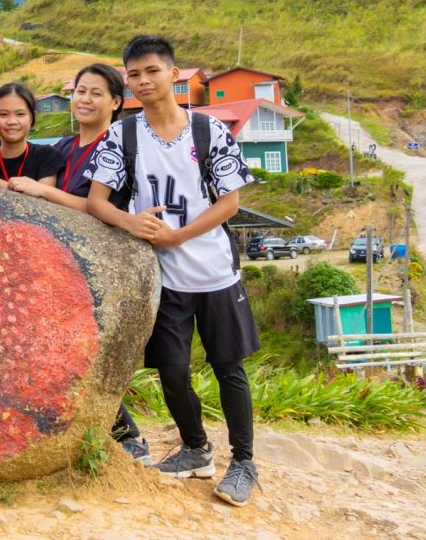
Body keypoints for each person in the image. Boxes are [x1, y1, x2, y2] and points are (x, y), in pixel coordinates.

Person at [84, 35, 260, 507]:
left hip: (215, 272)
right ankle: (196, 448)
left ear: (173, 74)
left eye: (151, 72)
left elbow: (230, 202)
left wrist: (178, 236)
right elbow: (97, 200)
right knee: (173, 370)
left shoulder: (209, 132)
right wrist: (131, 221)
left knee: (228, 367)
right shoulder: (124, 135)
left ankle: (243, 462)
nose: (142, 81)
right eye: (133, 75)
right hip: (161, 278)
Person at [0, 63, 153, 466]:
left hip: (100, 262)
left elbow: (104, 209)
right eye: (80, 91)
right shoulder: (64, 148)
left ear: (117, 102)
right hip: (59, 265)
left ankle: (126, 434)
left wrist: (43, 195)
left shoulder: (116, 148)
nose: (84, 99)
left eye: (96, 93)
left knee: (87, 353)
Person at [0, 82, 65, 189]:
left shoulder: (47, 156)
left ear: (32, 117)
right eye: (3, 114)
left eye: (20, 114)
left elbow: (43, 198)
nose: (12, 121)